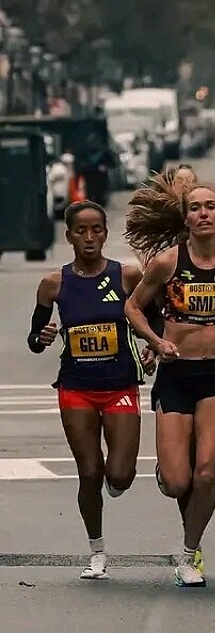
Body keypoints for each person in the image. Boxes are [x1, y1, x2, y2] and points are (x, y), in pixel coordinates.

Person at [124, 181, 215, 587]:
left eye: (211, 207)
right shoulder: (167, 262)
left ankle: (189, 554)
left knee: (206, 473)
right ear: (186, 218)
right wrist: (155, 342)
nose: (204, 214)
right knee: (177, 481)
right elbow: (133, 306)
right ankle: (168, 471)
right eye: (196, 208)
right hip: (177, 374)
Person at [27, 201, 148, 580]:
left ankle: (116, 480)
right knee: (90, 472)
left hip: (120, 385)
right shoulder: (54, 284)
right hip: (76, 388)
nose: (90, 237)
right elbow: (34, 338)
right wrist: (42, 336)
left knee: (121, 475)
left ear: (106, 234)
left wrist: (153, 346)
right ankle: (97, 551)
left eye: (97, 230)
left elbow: (155, 318)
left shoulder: (127, 276)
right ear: (69, 236)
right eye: (81, 231)